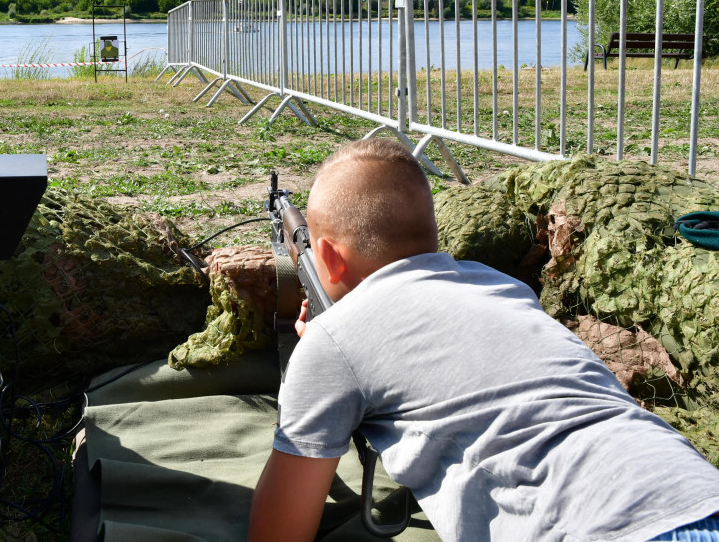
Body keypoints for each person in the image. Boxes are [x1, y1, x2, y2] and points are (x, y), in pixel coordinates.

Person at [248, 139, 719, 542]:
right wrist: (333, 349)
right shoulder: (500, 285)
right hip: (694, 487)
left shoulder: (335, 341)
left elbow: (278, 532)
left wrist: (322, 353)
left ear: (325, 256)